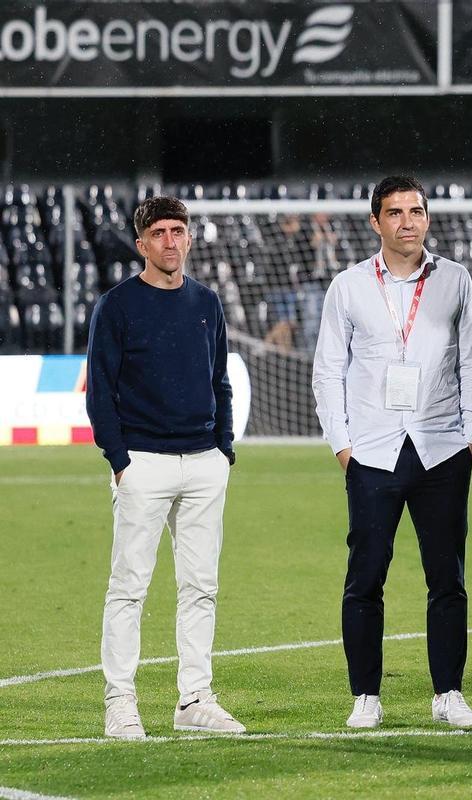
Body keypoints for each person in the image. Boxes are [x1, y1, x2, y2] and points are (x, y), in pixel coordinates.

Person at [312, 175, 472, 729]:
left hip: (442, 450)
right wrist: (343, 446)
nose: (407, 222)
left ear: (427, 218)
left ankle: (448, 694)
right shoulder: (348, 287)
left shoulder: (455, 279)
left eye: (416, 211)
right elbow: (327, 371)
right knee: (365, 578)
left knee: (448, 580)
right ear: (376, 222)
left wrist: (471, 437)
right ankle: (366, 695)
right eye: (395, 212)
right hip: (372, 452)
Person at [86, 196, 245, 738]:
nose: (170, 241)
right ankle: (120, 701)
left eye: (178, 231)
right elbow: (99, 391)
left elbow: (220, 380)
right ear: (142, 244)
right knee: (129, 587)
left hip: (204, 463)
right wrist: (120, 461)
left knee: (201, 586)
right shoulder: (116, 306)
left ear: (189, 238)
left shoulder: (207, 302)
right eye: (159, 233)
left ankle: (194, 699)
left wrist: (223, 449)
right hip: (143, 463)